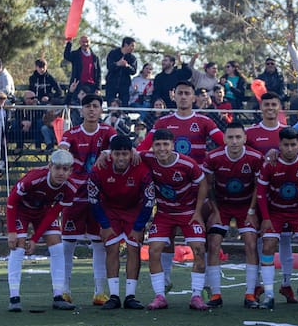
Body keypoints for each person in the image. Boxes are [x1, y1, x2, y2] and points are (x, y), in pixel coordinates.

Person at [137, 81, 224, 292]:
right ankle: (165, 279)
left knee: (200, 235)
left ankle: (205, 284)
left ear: (194, 97)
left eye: (187, 93)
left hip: (197, 186)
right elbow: (144, 147)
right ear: (173, 95)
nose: (183, 97)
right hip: (169, 185)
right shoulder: (162, 122)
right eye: (180, 93)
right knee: (168, 233)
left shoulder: (204, 121)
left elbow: (225, 143)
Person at [58, 93, 117, 305]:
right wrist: (63, 154)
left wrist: (108, 152)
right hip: (74, 194)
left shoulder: (108, 131)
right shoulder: (71, 133)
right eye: (87, 106)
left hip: (99, 195)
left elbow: (121, 148)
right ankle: (64, 290)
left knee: (98, 242)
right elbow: (62, 151)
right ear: (81, 110)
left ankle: (100, 292)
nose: (91, 110)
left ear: (101, 110)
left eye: (95, 106)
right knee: (67, 243)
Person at [141, 129, 209, 310]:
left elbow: (203, 183)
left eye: (165, 144)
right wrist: (106, 154)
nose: (161, 148)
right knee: (153, 251)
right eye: (157, 144)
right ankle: (160, 296)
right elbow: (128, 153)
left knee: (199, 250)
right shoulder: (147, 158)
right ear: (153, 146)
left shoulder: (187, 164)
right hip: (164, 213)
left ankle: (196, 296)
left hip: (188, 212)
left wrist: (198, 211)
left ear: (173, 145)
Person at [5, 149, 78, 312]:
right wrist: (12, 231)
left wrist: (36, 238)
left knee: (58, 246)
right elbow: (11, 202)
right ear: (50, 166)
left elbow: (53, 213)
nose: (61, 173)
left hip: (43, 212)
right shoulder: (34, 178)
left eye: (65, 169)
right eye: (57, 168)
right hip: (21, 211)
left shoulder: (70, 189)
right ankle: (14, 297)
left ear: (70, 171)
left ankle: (58, 296)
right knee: (18, 247)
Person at [87, 135, 155, 310]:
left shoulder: (141, 168)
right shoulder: (99, 168)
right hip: (110, 211)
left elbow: (149, 200)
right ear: (111, 154)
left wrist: (139, 227)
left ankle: (130, 296)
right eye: (117, 154)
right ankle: (115, 296)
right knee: (112, 248)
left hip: (134, 210)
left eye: (125, 154)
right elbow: (93, 199)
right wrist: (104, 224)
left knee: (134, 248)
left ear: (131, 153)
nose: (121, 158)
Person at [256, 126, 298, 309]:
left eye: (293, 144)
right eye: (286, 145)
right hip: (274, 212)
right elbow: (261, 192)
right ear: (279, 145)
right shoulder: (270, 163)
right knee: (268, 246)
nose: (290, 149)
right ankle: (268, 294)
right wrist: (266, 218)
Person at [203, 122, 264, 308]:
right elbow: (208, 186)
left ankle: (250, 294)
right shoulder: (213, 157)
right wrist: (214, 210)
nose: (235, 141)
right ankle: (215, 294)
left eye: (238, 137)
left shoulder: (255, 157)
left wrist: (252, 211)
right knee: (213, 243)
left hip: (246, 205)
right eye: (230, 137)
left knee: (251, 243)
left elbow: (258, 186)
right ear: (224, 139)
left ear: (245, 138)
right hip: (222, 205)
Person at [244, 92, 297, 302]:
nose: (270, 108)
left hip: (284, 196)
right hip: (258, 193)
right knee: (260, 239)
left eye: (274, 104)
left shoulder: (287, 132)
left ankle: (286, 283)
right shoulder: (251, 132)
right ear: (261, 107)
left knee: (285, 241)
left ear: (279, 107)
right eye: (266, 104)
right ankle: (258, 284)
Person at [104, 37, 138, 106]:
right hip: (111, 83)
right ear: (126, 45)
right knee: (110, 103)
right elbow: (109, 66)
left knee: (124, 104)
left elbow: (133, 71)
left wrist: (127, 66)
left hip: (124, 85)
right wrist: (117, 64)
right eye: (132, 46)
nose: (133, 48)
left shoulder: (132, 58)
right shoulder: (113, 53)